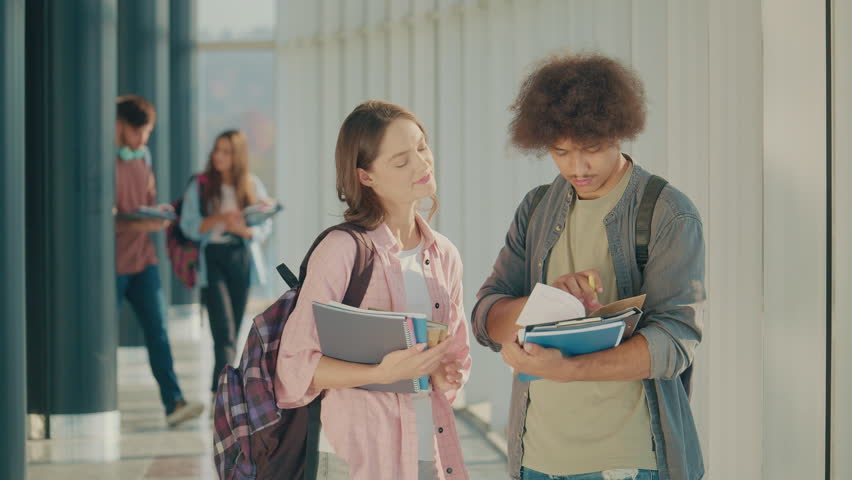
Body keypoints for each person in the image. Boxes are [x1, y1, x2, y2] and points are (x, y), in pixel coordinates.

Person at [471, 54, 706, 480]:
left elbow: (676, 342)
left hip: (626, 461)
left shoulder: (668, 214)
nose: (576, 168)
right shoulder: (537, 207)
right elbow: (487, 318)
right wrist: (547, 302)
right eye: (560, 152)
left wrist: (569, 369)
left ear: (620, 131)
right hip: (535, 459)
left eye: (592, 150)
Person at [274, 101, 472, 480]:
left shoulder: (443, 254)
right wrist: (382, 372)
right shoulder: (342, 251)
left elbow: (456, 358)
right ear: (365, 176)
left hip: (427, 450)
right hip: (357, 457)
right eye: (401, 161)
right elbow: (294, 366)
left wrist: (445, 374)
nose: (421, 164)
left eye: (421, 146)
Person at [114, 94, 204, 427]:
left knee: (158, 332)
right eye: (138, 133)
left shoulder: (143, 157)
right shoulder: (108, 159)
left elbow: (148, 199)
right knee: (102, 338)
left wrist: (158, 214)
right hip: (112, 264)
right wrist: (143, 220)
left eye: (147, 134)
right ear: (120, 126)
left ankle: (174, 403)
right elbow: (105, 216)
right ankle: (98, 403)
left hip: (143, 260)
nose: (142, 140)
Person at [178, 130, 274, 401]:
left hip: (240, 257)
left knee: (235, 330)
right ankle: (222, 393)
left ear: (237, 156)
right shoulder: (201, 185)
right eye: (216, 150)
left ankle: (223, 391)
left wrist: (242, 228)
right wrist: (219, 218)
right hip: (213, 259)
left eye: (226, 151)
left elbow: (264, 226)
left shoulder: (251, 185)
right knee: (224, 330)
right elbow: (189, 226)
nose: (218, 156)